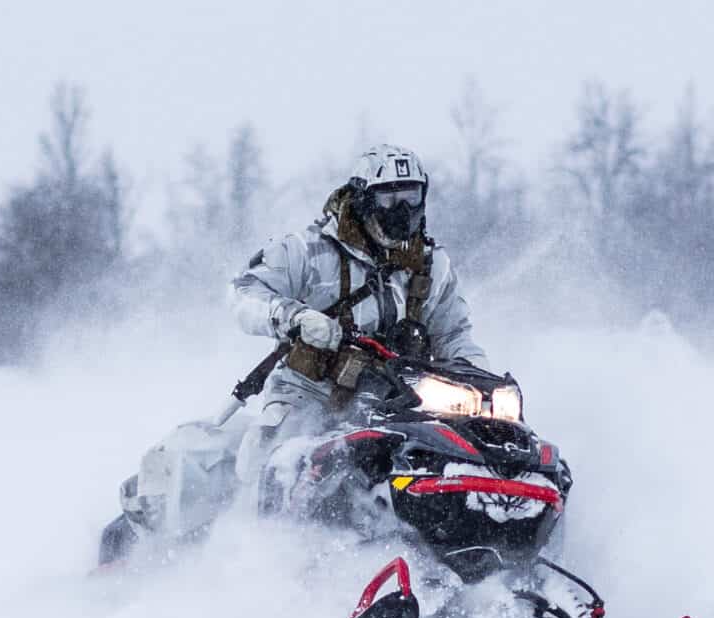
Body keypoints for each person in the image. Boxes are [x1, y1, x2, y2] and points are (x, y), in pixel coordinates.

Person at [101, 144, 488, 564]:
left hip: (399, 402)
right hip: (309, 392)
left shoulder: (431, 266)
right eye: (388, 197)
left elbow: (455, 333)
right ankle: (252, 562)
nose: (401, 210)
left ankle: (456, 552)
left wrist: (478, 382)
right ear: (361, 198)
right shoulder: (307, 250)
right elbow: (242, 292)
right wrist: (293, 317)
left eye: (410, 197)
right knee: (275, 463)